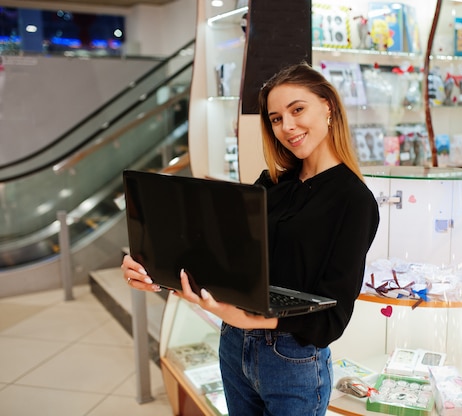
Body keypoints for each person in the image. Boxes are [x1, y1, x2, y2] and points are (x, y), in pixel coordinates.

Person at [122, 62, 379, 415]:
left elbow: (333, 318)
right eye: (275, 118)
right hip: (233, 344)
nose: (287, 127)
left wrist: (256, 320)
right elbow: (220, 258)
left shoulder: (353, 200)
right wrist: (152, 268)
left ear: (328, 107)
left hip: (293, 359)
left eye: (297, 110)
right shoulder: (270, 184)